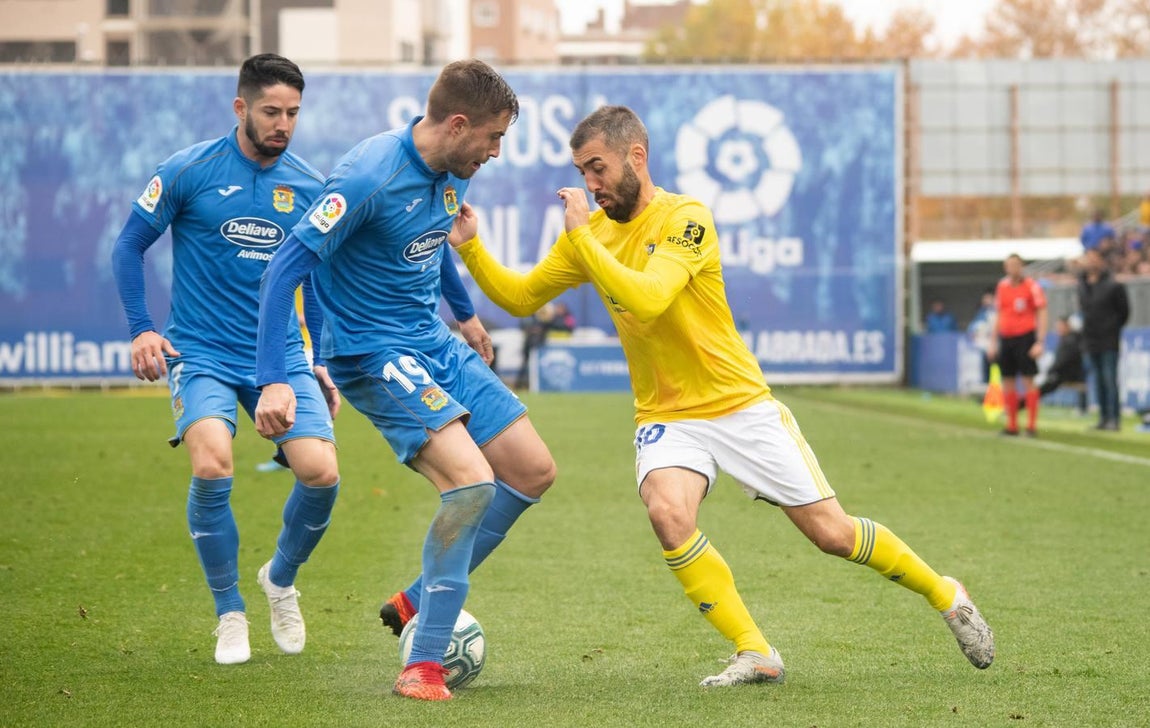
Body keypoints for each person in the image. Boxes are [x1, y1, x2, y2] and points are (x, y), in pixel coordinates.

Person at [445, 105, 994, 687]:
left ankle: (945, 592)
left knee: (831, 534)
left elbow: (651, 297)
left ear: (637, 157)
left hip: (739, 405)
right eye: (583, 172)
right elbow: (523, 296)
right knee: (667, 512)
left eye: (598, 168)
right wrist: (473, 249)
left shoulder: (687, 218)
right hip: (667, 415)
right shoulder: (594, 235)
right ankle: (755, 650)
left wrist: (584, 241)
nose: (590, 185)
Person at [254, 59, 557, 701]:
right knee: (471, 484)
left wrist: (467, 315)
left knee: (531, 470)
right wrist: (275, 379)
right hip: (374, 355)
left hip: (433, 342)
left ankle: (414, 599)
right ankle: (421, 667)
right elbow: (283, 268)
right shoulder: (369, 175)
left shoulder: (451, 169)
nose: (497, 152)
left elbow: (430, 241)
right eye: (493, 138)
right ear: (457, 124)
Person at [111, 54, 342, 665]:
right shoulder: (188, 170)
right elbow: (129, 245)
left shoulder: (310, 187)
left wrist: (317, 361)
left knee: (321, 473)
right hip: (202, 350)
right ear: (240, 107)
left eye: (293, 112)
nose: (283, 124)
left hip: (282, 355)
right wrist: (142, 329)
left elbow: (313, 282)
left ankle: (280, 580)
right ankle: (229, 612)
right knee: (213, 464)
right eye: (271, 111)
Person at [987, 254, 1048, 437]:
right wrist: (993, 341)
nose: (1012, 268)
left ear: (1021, 266)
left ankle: (1031, 425)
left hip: (1025, 337)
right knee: (1007, 380)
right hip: (1007, 338)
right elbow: (999, 314)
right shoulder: (1002, 286)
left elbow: (1042, 311)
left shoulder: (1031, 286)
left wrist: (1039, 341)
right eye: (1009, 265)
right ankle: (1012, 425)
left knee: (1028, 380)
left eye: (1016, 265)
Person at [1078, 248, 1130, 430]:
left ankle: (1114, 419)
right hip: (1090, 340)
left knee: (1110, 379)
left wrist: (1111, 327)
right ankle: (1103, 418)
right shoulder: (1083, 284)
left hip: (1108, 339)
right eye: (1088, 258)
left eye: (1094, 258)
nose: (1090, 262)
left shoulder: (1114, 285)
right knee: (1098, 380)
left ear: (1101, 261)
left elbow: (1124, 313)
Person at [1038, 316, 1087, 415]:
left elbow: (1062, 361)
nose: (1058, 329)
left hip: (1068, 375)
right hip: (1066, 373)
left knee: (1043, 386)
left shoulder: (1070, 341)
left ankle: (1019, 404)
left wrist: (1050, 371)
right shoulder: (1069, 339)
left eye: (1060, 326)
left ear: (1067, 326)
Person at [966, 289, 997, 384]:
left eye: (988, 298)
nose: (986, 300)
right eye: (985, 298)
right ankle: (986, 390)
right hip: (986, 346)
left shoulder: (999, 311)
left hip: (999, 345)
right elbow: (973, 327)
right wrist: (973, 331)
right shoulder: (982, 312)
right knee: (986, 369)